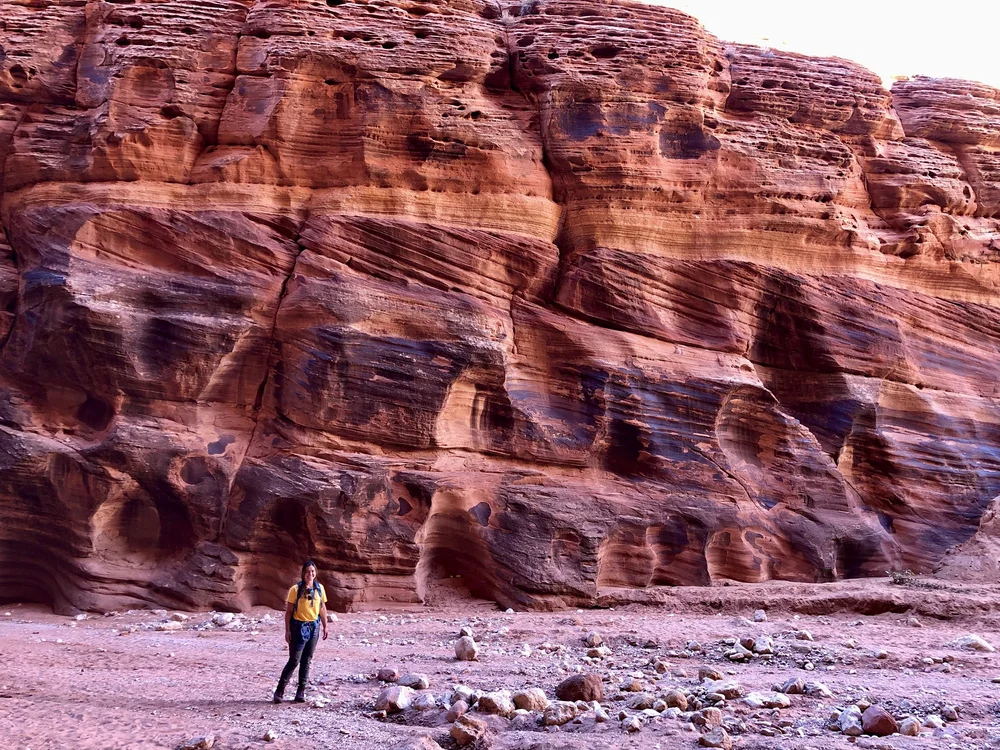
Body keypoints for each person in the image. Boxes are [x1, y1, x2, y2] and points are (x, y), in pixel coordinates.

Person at [273, 560, 329, 703]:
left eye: (313, 571)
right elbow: (289, 612)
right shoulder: (295, 590)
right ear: (303, 573)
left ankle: (300, 692)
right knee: (294, 660)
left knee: (307, 660)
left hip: (313, 628)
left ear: (315, 573)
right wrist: (287, 630)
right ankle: (279, 691)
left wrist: (325, 625)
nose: (310, 574)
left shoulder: (319, 589)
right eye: (308, 571)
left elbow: (322, 608)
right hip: (298, 627)